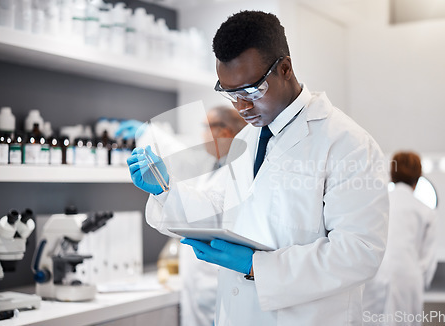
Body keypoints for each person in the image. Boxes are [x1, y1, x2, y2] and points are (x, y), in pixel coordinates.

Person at [127, 11, 389, 326]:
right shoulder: (249, 137)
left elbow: (359, 253)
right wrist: (167, 191)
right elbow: (223, 206)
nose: (242, 107)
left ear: (285, 69)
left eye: (251, 92)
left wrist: (258, 267)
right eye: (231, 94)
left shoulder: (348, 143)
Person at [179, 106, 246, 326]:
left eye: (206, 129)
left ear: (224, 133)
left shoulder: (238, 172)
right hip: (200, 282)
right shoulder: (215, 168)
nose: (202, 136)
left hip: (216, 280)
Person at [363, 151, 438, 326]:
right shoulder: (427, 211)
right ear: (418, 177)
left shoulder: (377, 203)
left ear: (391, 173)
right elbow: (427, 260)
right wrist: (420, 280)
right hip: (407, 278)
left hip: (375, 274)